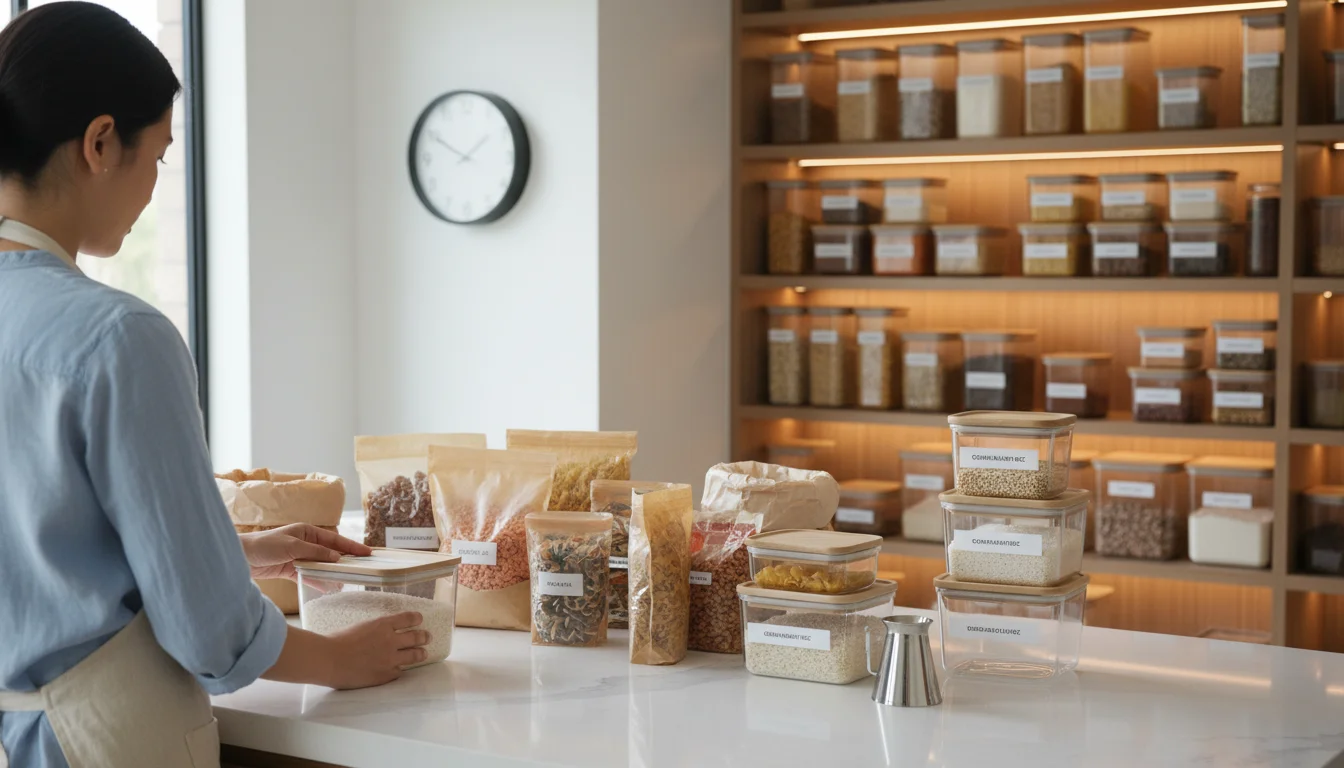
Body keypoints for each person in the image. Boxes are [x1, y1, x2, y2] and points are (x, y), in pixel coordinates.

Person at [0, 4, 429, 767]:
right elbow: (209, 634)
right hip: (96, 738)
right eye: (159, 157)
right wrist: (343, 659)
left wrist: (226, 546)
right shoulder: (117, 336)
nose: (156, 186)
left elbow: (36, 544)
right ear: (101, 142)